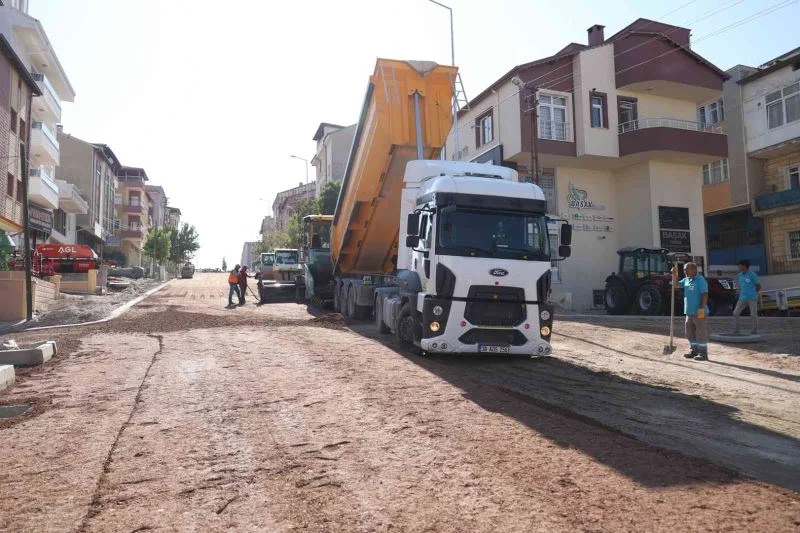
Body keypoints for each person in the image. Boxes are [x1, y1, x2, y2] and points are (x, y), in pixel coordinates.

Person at [673, 262, 710, 361]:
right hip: (689, 312)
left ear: (694, 269)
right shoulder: (686, 280)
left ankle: (703, 353)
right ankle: (694, 350)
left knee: (700, 333)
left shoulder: (700, 280)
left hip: (699, 312)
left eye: (686, 269)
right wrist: (675, 275)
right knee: (689, 332)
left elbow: (705, 294)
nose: (684, 271)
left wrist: (701, 309)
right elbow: (676, 285)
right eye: (684, 269)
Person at [733, 259, 761, 334]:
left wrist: (754, 293)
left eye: (739, 265)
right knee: (735, 312)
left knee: (753, 314)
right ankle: (737, 330)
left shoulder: (752, 275)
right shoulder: (739, 275)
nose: (738, 267)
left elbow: (758, 286)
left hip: (752, 297)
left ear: (744, 266)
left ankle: (754, 330)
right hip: (742, 297)